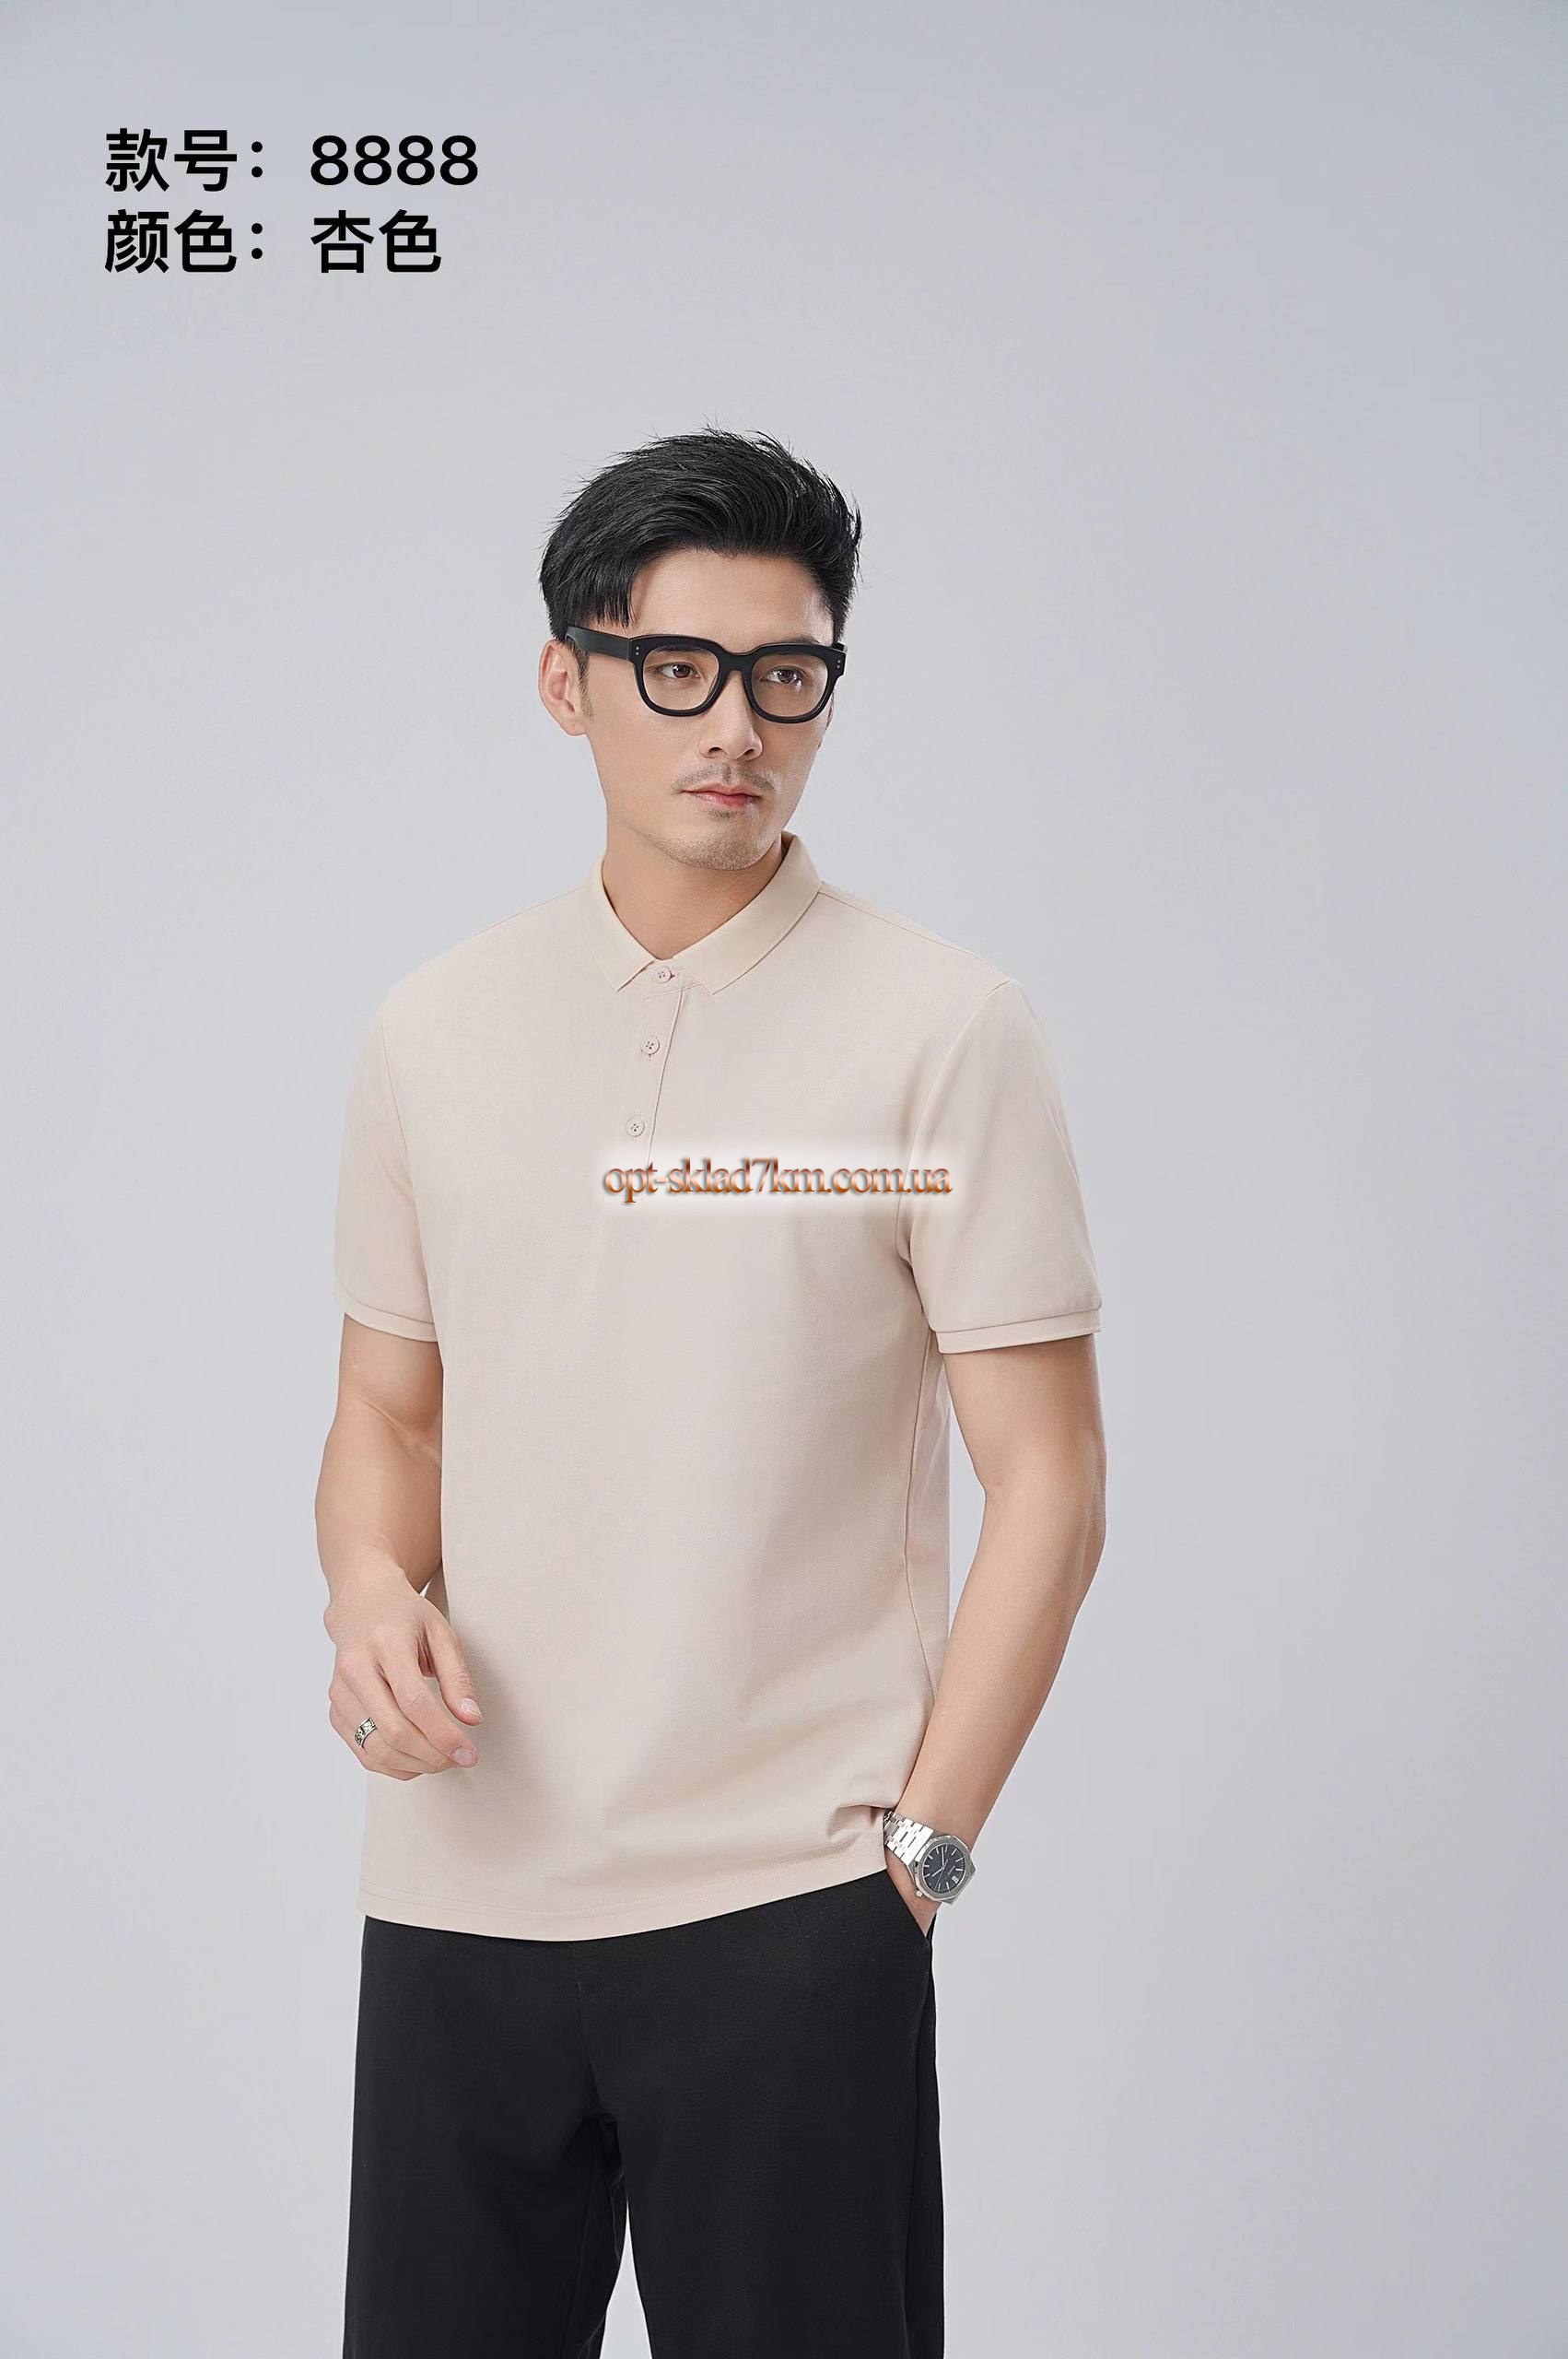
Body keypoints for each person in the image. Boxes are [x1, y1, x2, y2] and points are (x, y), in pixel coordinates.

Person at [317, 426, 1107, 2357]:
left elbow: (1049, 1481)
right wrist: (364, 1590)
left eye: (785, 674)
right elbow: (390, 1415)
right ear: (565, 680)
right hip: (460, 1901)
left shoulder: (941, 1030)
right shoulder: (433, 1029)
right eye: (675, 668)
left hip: (789, 1909)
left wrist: (916, 1861)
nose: (734, 726)